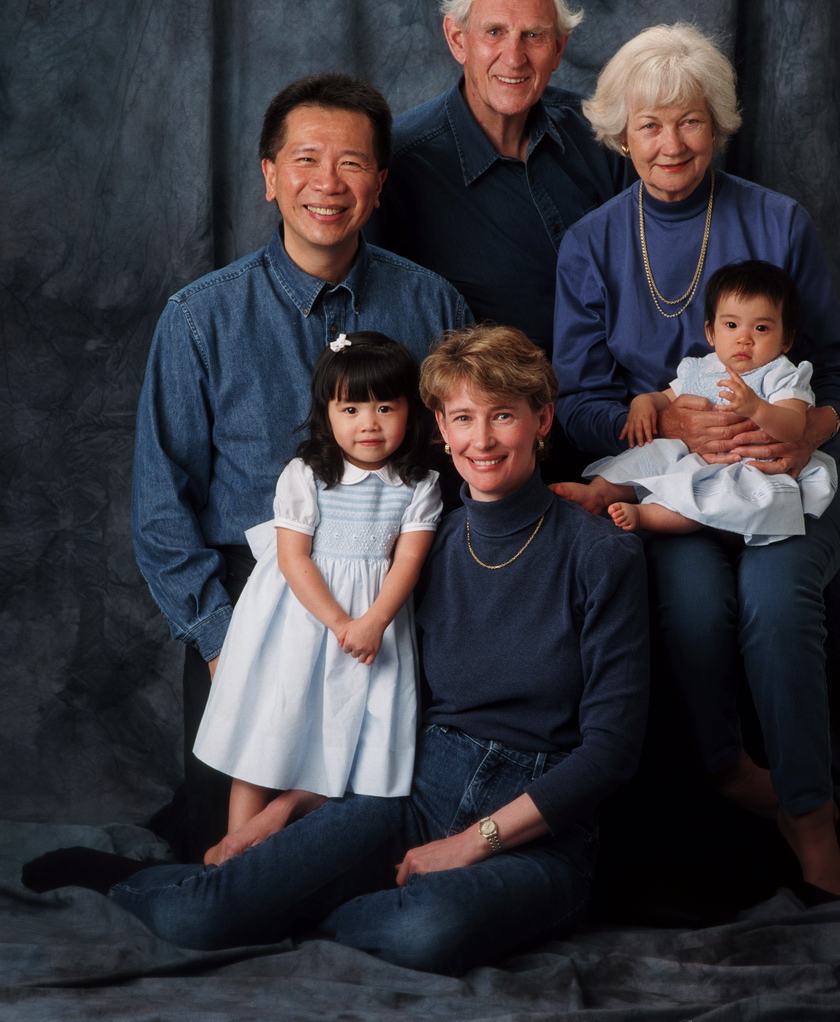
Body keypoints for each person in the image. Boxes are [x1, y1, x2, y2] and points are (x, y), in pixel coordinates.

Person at [25, 325, 650, 975]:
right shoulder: (426, 546)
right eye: (464, 418)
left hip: (540, 831)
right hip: (411, 795)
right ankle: (161, 886)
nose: (482, 440)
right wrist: (290, 808)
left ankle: (289, 908)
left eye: (503, 416)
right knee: (197, 920)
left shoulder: (602, 556)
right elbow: (382, 703)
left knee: (426, 931)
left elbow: (611, 751)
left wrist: (472, 843)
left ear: (542, 420)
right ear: (440, 427)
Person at [553, 23, 840, 902]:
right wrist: (661, 417)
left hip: (783, 478)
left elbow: (838, 369)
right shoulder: (590, 242)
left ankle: (813, 825)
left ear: (717, 124)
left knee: (776, 606)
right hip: (671, 483)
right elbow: (577, 400)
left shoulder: (777, 219)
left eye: (689, 121)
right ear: (621, 133)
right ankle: (728, 769)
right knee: (692, 610)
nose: (671, 144)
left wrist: (806, 430)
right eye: (650, 124)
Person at [132, 73, 469, 861]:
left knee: (369, 839)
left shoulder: (434, 308)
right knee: (228, 849)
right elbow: (161, 504)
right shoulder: (199, 318)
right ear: (269, 175)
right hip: (251, 599)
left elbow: (464, 471)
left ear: (379, 184)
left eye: (351, 164)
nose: (328, 183)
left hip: (394, 599)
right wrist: (224, 642)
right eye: (306, 160)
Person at [194, 332, 441, 858]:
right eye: (351, 409)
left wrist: (372, 622)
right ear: (327, 414)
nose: (368, 423)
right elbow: (293, 559)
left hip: (375, 624)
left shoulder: (418, 484)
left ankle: (298, 860)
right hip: (299, 621)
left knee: (351, 745)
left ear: (410, 411)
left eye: (385, 407)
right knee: (269, 736)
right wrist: (340, 622)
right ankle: (233, 859)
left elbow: (408, 562)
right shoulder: (307, 475)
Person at [367, 0, 632, 355]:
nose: (514, 57)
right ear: (458, 40)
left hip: (619, 383)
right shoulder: (399, 161)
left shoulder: (600, 132)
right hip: (487, 392)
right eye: (494, 32)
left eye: (533, 36)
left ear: (558, 49)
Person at [566, 261, 837, 545]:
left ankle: (646, 515)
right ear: (711, 332)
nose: (744, 339)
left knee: (710, 499)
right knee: (649, 454)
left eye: (761, 328)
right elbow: (665, 398)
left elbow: (794, 426)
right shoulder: (701, 368)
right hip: (692, 456)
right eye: (731, 325)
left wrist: (758, 408)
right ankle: (600, 492)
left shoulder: (780, 374)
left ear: (786, 340)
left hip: (742, 467)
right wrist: (643, 402)